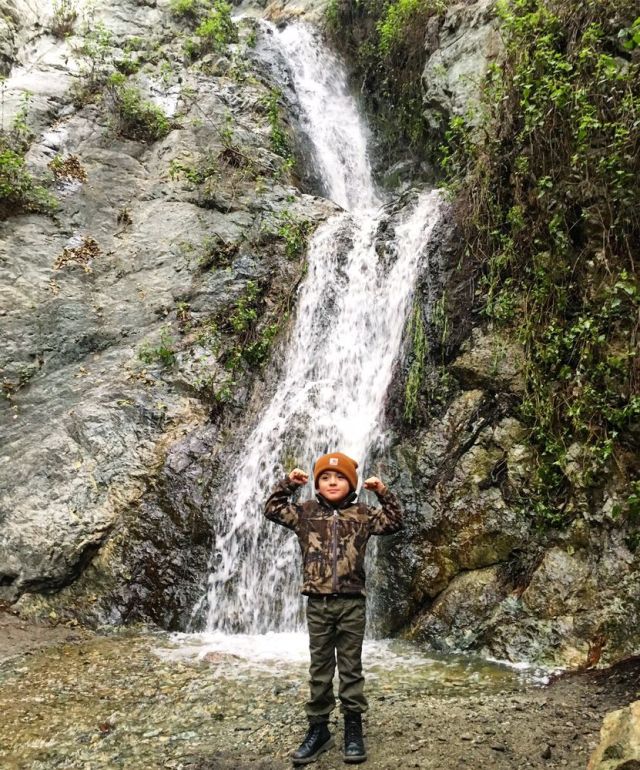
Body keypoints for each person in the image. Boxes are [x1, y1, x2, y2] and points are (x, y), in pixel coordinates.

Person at [264, 451, 403, 765]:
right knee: (320, 669)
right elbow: (272, 509)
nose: (332, 482)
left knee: (351, 669)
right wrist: (288, 484)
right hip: (318, 604)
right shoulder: (305, 513)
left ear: (351, 483)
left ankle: (353, 728)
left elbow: (395, 520)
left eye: (339, 477)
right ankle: (319, 729)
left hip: (352, 603)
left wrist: (382, 492)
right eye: (325, 477)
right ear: (316, 483)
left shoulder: (363, 514)